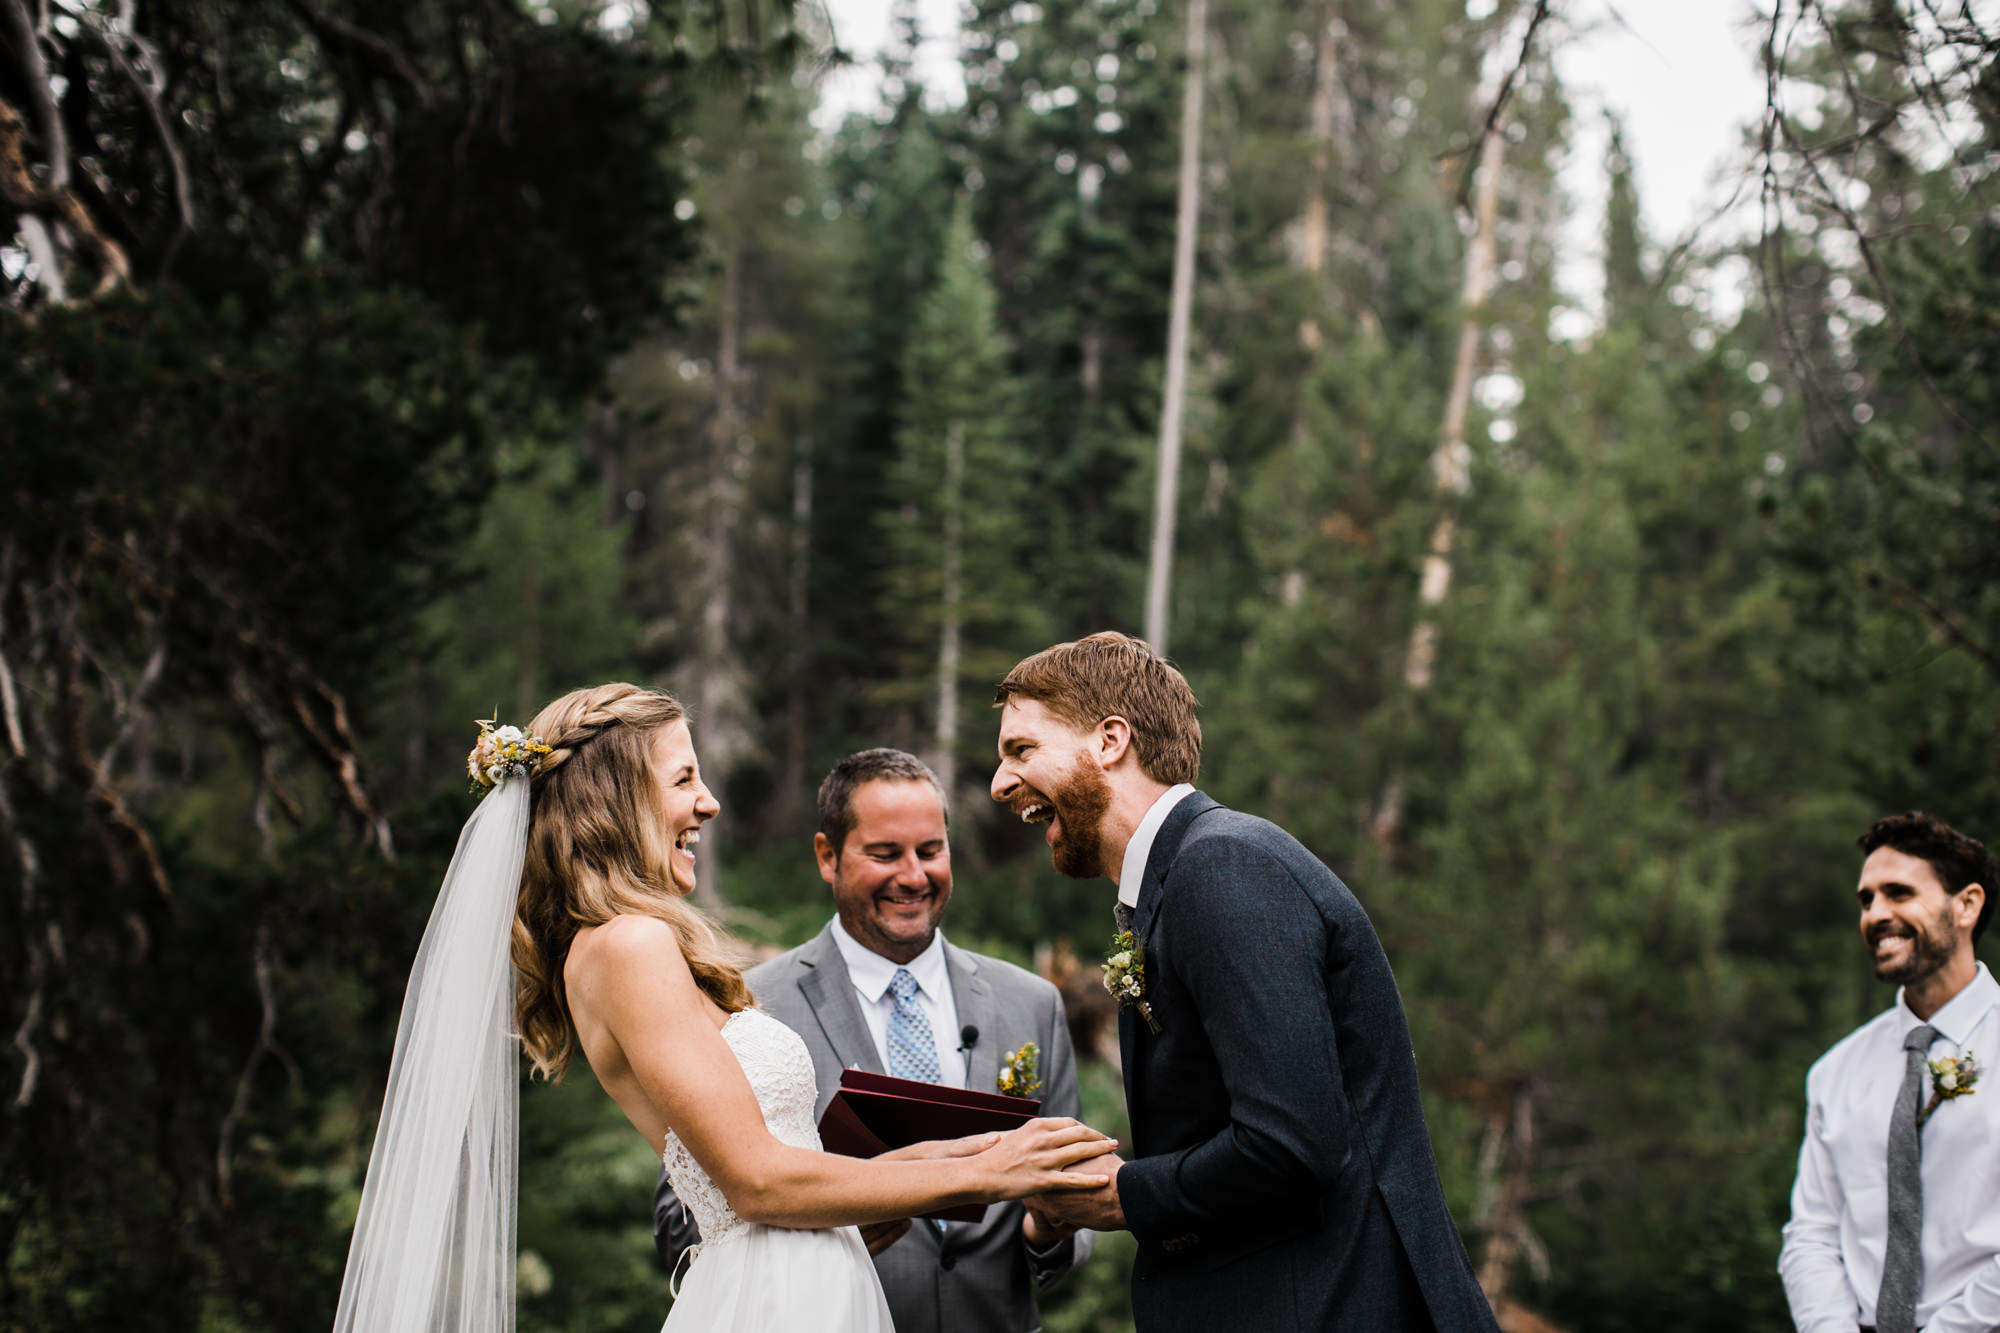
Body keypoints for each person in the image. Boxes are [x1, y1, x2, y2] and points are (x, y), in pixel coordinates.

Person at [329, 684, 1113, 1333]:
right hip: (773, 1299)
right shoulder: (628, 945)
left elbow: (794, 1158)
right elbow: (757, 1183)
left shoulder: (625, 945)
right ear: (619, 796)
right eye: (682, 780)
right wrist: (993, 1168)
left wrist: (997, 1161)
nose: (706, 802)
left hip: (806, 1283)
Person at [986, 632, 1500, 1333]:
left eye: (1021, 749)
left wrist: (1123, 1195)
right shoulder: (1183, 879)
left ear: (1109, 740)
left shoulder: (1222, 867)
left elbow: (1289, 1144)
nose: (999, 782)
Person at [654, 748, 1094, 1333]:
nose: (913, 876)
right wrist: (823, 1225)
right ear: (827, 857)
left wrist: (1052, 1228)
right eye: (886, 854)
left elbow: (1078, 1194)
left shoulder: (1031, 1002)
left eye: (930, 852)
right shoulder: (747, 1006)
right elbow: (680, 1219)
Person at [1779, 811, 1998, 1333]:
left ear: (1966, 905)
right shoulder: (1836, 1071)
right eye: (1866, 899)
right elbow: (1812, 1233)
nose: (1876, 914)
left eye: (1898, 893)